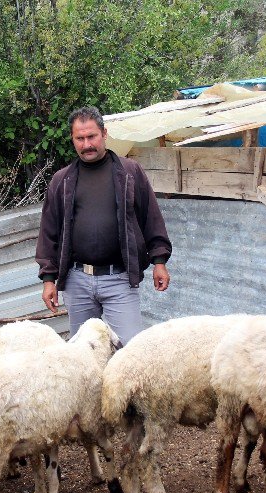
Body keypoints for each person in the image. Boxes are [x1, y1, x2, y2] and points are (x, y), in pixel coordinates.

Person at [35, 106, 172, 345]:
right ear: (72, 139)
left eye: (92, 136)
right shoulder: (62, 180)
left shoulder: (129, 172)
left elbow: (151, 217)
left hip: (119, 278)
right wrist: (48, 279)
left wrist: (159, 261)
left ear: (104, 134)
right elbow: (49, 231)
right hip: (77, 280)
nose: (86, 144)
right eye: (80, 138)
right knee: (82, 353)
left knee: (131, 349)